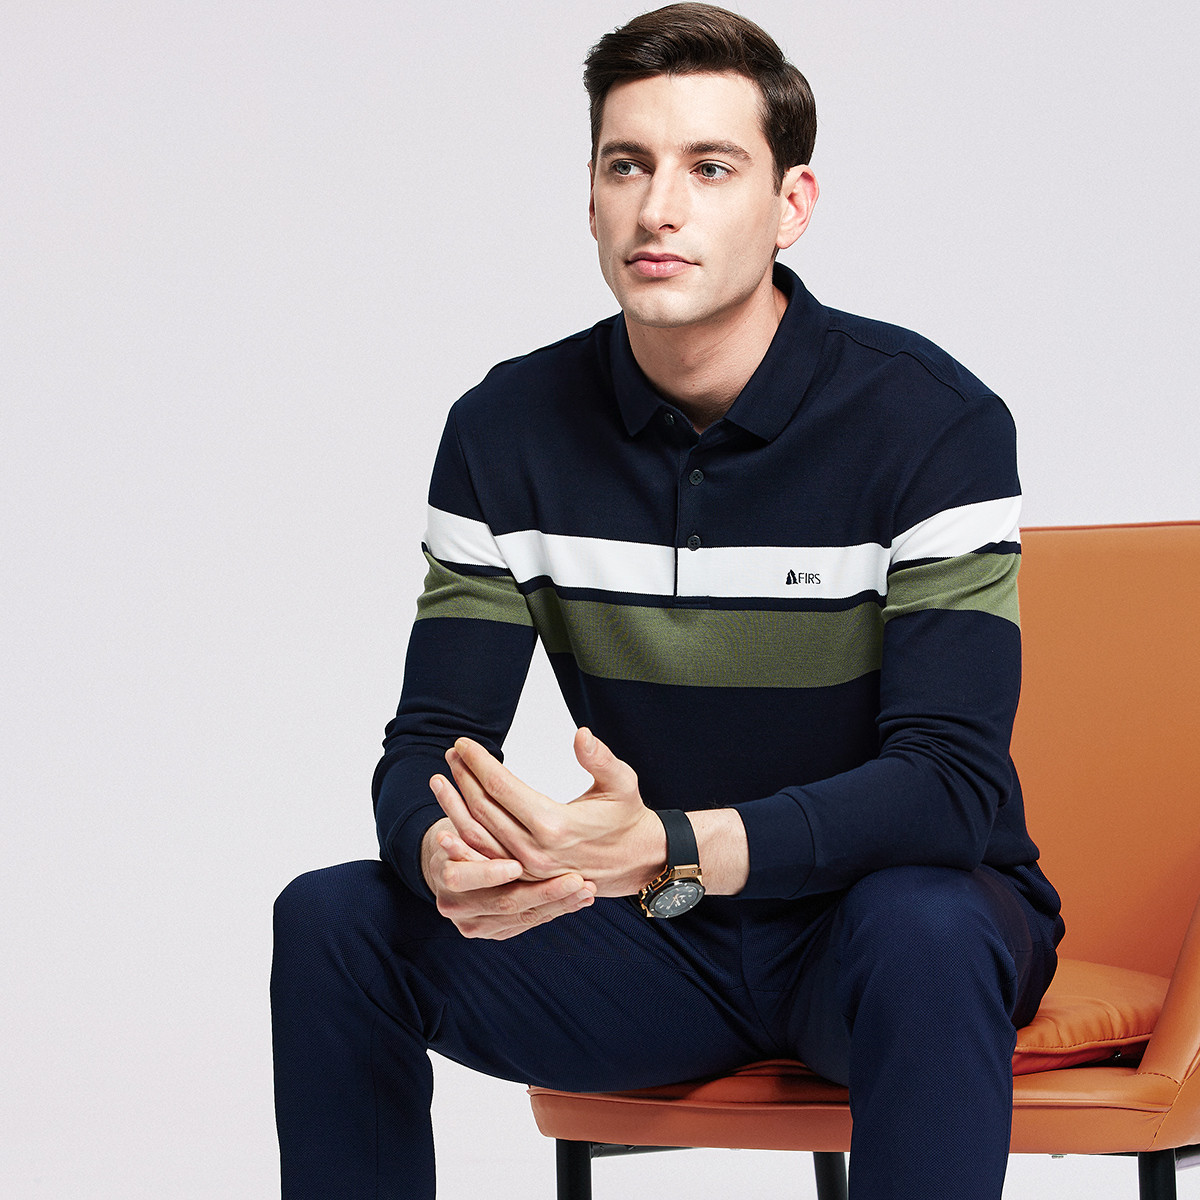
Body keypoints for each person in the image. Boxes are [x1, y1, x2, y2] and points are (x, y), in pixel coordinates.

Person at [270, 5, 1065, 1197]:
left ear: (791, 204)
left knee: (926, 925)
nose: (659, 208)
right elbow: (431, 740)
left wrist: (668, 842)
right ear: (591, 199)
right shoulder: (504, 431)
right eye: (627, 165)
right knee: (334, 920)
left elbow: (950, 788)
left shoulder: (932, 424)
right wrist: (443, 852)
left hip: (878, 939)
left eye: (711, 167)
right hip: (659, 939)